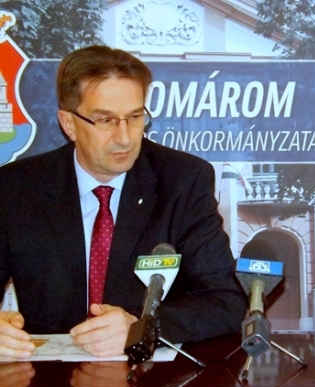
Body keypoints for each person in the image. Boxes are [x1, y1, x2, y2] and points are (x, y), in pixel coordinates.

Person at [0, 45, 247, 359]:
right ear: (69, 124)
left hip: (149, 379)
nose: (125, 138)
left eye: (135, 117)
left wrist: (142, 327)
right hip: (49, 377)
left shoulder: (183, 181)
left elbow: (227, 301)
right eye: (106, 120)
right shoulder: (15, 188)